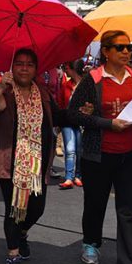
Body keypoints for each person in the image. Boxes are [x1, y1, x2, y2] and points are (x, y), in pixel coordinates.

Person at [68, 30, 132, 264]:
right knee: (95, 203)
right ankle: (91, 242)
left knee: (129, 211)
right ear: (105, 51)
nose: (126, 52)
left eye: (129, 46)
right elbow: (74, 115)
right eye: (119, 47)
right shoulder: (92, 79)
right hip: (99, 154)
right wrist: (107, 123)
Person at [0, 49, 63, 264]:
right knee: (15, 210)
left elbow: (59, 116)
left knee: (37, 208)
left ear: (36, 69)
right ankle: (12, 255)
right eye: (20, 64)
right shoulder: (2, 91)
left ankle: (21, 234)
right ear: (12, 68)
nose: (24, 68)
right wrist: (1, 87)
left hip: (37, 163)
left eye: (29, 64)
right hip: (10, 162)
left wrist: (84, 114)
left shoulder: (42, 93)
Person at [56, 61, 84, 190]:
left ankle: (78, 175)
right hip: (67, 121)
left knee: (80, 150)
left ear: (73, 69)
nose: (65, 70)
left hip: (82, 122)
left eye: (67, 68)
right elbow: (60, 103)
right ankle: (68, 177)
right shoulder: (66, 85)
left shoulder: (86, 85)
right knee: (70, 149)